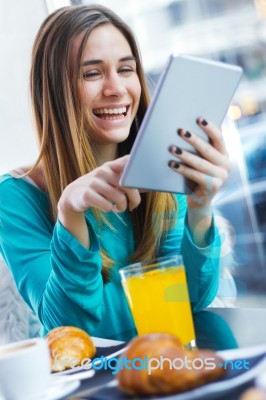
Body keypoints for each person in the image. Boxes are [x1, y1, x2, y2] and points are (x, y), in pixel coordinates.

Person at [0, 5, 231, 341]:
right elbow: (70, 330)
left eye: (126, 69)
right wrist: (70, 214)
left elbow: (192, 301)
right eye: (91, 74)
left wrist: (200, 207)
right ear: (53, 90)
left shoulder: (160, 171)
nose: (116, 88)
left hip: (165, 365)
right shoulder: (15, 198)